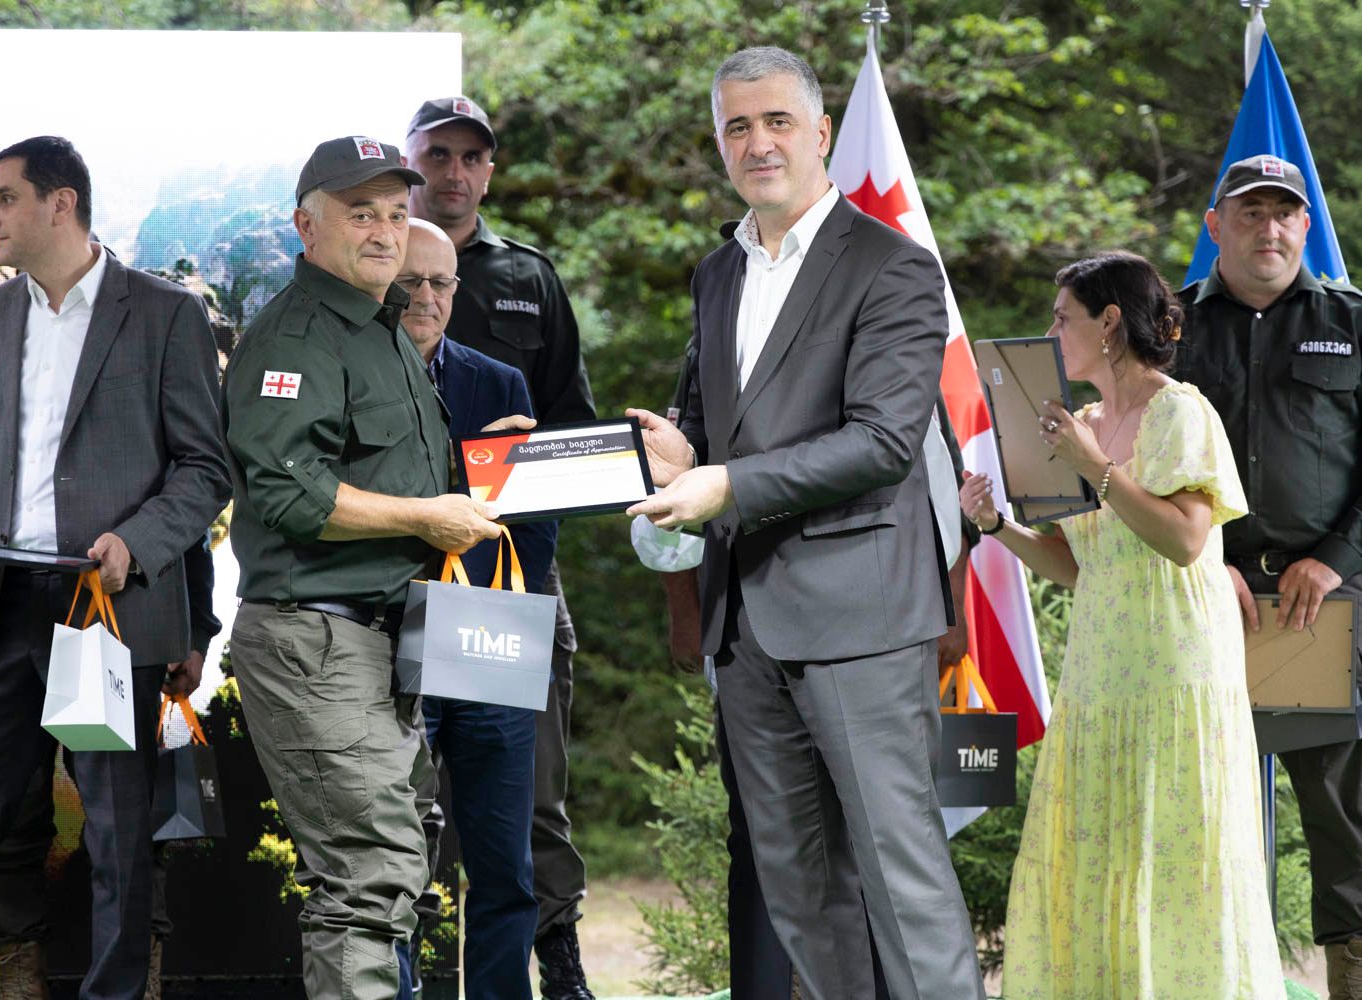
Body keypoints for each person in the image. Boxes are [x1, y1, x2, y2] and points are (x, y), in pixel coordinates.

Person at [625, 46, 983, 1000]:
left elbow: (881, 442)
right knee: (800, 894)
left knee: (903, 884)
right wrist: (680, 457)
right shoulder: (716, 273)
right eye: (737, 126)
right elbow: (720, 435)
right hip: (745, 630)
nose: (758, 143)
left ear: (820, 133)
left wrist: (724, 485)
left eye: (777, 121)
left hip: (862, 620)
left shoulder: (892, 267)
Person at [0, 135, 231, 1000]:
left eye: (4, 198)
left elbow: (204, 469)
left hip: (104, 616)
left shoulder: (166, 313)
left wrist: (138, 541)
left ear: (61, 204)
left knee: (118, 838)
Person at [220, 136, 526, 1000]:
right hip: (318, 642)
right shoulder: (296, 337)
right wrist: (429, 517)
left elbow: (390, 473)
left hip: (384, 642)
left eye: (396, 212)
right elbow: (294, 495)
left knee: (395, 869)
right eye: (361, 214)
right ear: (306, 227)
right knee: (367, 878)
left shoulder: (379, 326)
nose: (386, 231)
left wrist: (489, 468)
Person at [961, 251, 1284, 997]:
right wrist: (997, 526)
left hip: (1176, 664)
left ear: (1108, 323)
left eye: (1062, 318)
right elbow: (1078, 564)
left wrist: (1096, 469)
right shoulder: (1079, 425)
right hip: (1100, 670)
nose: (1051, 334)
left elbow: (1185, 539)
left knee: (1176, 854)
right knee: (1099, 856)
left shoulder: (1179, 412)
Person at [0, 371, 220, 1000]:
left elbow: (186, 498)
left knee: (129, 824)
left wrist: (196, 626)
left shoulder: (138, 367)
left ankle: (139, 976)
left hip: (114, 624)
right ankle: (18, 973)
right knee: (6, 818)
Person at [405, 95, 598, 999]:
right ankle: (416, 964)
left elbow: (571, 435)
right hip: (400, 580)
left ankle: (555, 957)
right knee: (407, 801)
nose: (454, 171)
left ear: (489, 170)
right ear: (410, 163)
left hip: (510, 585)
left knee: (529, 793)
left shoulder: (528, 275)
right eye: (436, 154)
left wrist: (521, 564)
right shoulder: (373, 269)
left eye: (471, 157)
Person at [1171, 153, 1362, 999]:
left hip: (1320, 602)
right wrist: (1201, 560)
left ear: (1305, 224)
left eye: (1284, 212)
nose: (1269, 228)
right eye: (1249, 212)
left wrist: (1333, 559)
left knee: (1343, 814)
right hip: (1198, 600)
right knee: (1200, 805)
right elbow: (1132, 455)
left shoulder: (1350, 321)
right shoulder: (1165, 327)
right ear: (1215, 225)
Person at [392, 218, 558, 1000]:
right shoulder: (353, 376)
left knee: (503, 862)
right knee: (395, 859)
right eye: (409, 283)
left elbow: (536, 522)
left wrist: (506, 603)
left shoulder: (499, 383)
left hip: (488, 637)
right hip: (391, 640)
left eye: (440, 283)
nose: (425, 298)